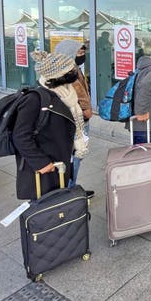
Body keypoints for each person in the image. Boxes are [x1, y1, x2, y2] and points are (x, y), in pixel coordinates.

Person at [14, 52, 88, 200]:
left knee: (59, 202)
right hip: (45, 166)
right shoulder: (35, 99)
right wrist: (41, 163)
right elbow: (20, 136)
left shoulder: (67, 92)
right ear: (58, 75)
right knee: (46, 209)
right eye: (70, 71)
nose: (75, 73)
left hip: (61, 159)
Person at [53, 40, 93, 194]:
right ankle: (69, 191)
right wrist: (85, 110)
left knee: (76, 156)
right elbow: (75, 94)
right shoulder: (66, 72)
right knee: (75, 156)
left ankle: (70, 187)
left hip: (79, 118)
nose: (82, 56)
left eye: (83, 53)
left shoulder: (73, 68)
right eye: (80, 53)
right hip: (75, 119)